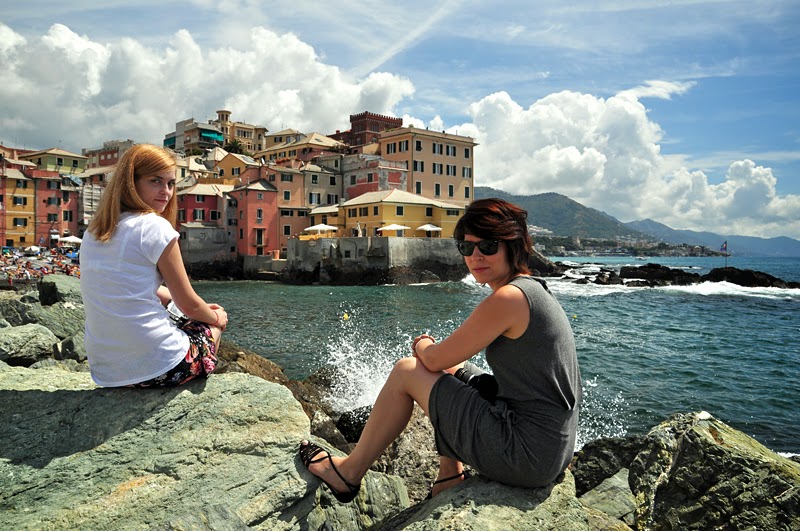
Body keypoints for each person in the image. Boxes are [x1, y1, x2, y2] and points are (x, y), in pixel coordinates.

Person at [299, 198, 582, 502]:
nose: (475, 256)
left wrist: (423, 343)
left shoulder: (510, 298)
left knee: (409, 371)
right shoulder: (533, 289)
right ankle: (449, 474)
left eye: (487, 246)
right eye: (466, 247)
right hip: (552, 450)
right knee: (453, 373)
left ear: (513, 246)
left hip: (526, 456)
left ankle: (348, 473)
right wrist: (444, 363)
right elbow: (448, 365)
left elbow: (432, 357)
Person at [80, 144, 229, 388]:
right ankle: (199, 379)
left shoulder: (95, 231)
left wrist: (179, 305)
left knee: (185, 316)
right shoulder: (154, 227)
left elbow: (133, 286)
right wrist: (216, 316)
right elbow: (188, 303)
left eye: (171, 184)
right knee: (208, 324)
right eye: (156, 181)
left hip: (107, 373)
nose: (166, 192)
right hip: (160, 367)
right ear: (131, 182)